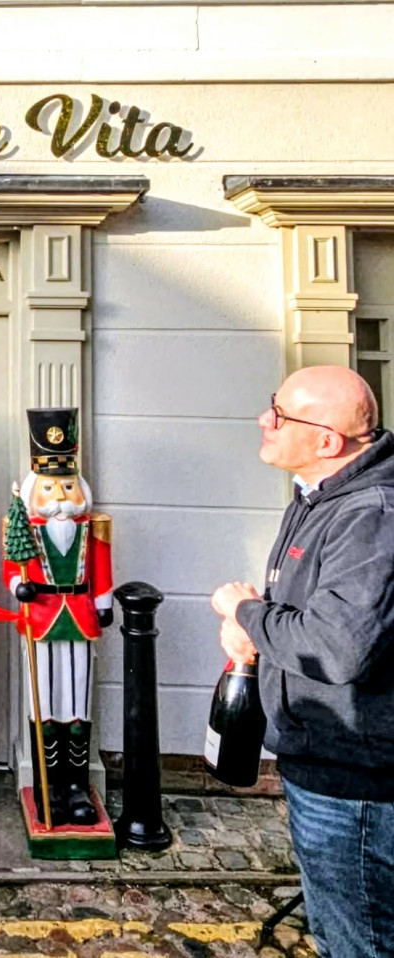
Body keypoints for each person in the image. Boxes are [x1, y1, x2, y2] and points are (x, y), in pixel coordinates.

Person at [211, 365, 394, 958]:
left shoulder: (372, 515)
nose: (265, 419)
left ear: (326, 441)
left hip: (356, 784)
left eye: (282, 414)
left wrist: (246, 616)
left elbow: (336, 647)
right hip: (326, 764)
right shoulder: (319, 496)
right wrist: (260, 632)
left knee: (358, 941)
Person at [3, 408, 113, 826]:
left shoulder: (92, 527)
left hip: (80, 617)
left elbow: (101, 569)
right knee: (44, 701)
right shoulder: (23, 526)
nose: (61, 496)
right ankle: (48, 786)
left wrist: (103, 602)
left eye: (67, 486)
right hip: (41, 617)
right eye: (51, 488)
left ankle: (75, 786)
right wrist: (19, 588)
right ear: (36, 488)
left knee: (77, 702)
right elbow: (12, 568)